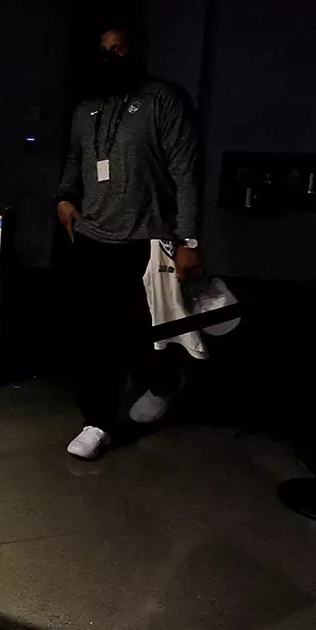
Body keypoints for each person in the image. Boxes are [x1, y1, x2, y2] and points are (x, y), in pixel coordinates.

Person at [56, 24, 201, 460]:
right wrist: (64, 196)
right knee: (94, 334)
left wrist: (189, 238)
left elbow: (186, 172)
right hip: (94, 237)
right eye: (103, 50)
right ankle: (97, 419)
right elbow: (75, 159)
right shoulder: (86, 109)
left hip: (148, 238)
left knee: (149, 332)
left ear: (137, 51)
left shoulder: (164, 101)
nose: (110, 57)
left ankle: (163, 383)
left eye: (118, 48)